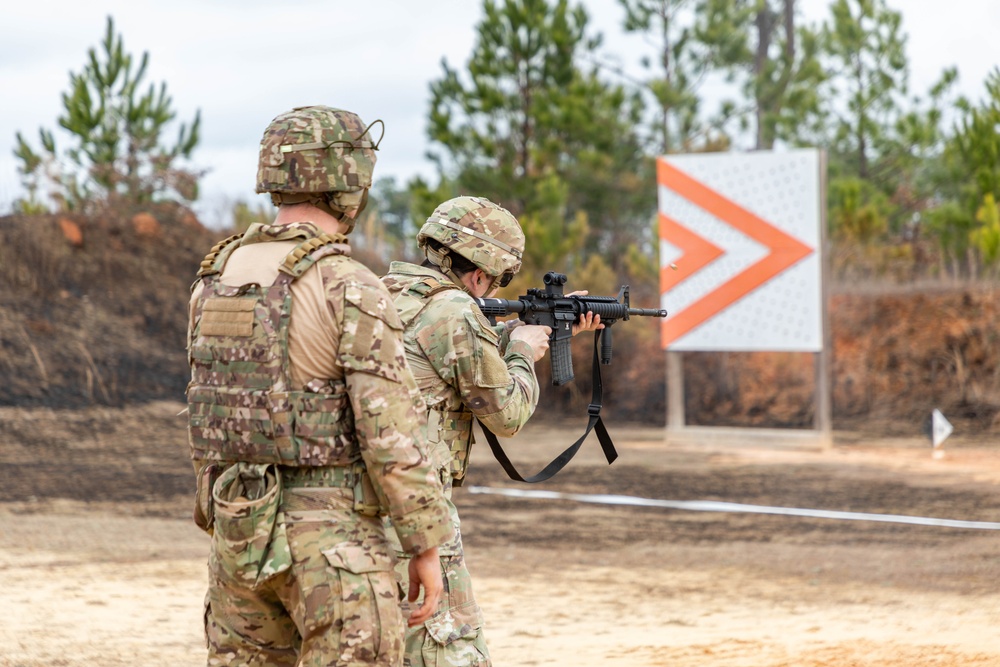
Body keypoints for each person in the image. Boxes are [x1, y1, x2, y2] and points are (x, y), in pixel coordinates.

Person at [185, 105, 453, 666]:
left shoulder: (215, 278)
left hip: (238, 539)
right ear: (349, 180)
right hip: (332, 546)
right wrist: (425, 544)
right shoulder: (349, 284)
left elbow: (208, 414)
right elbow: (391, 432)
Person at [381, 196, 601, 666]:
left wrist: (521, 330)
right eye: (498, 281)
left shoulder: (381, 292)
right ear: (480, 275)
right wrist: (522, 350)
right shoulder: (458, 311)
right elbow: (509, 414)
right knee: (451, 649)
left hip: (354, 508)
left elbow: (438, 354)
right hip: (416, 512)